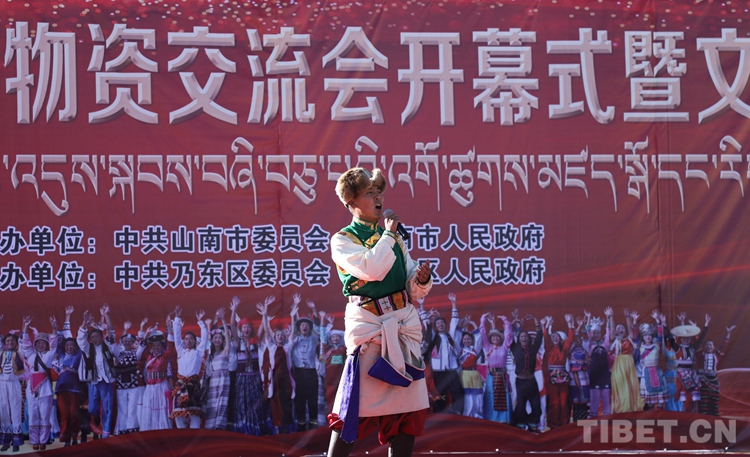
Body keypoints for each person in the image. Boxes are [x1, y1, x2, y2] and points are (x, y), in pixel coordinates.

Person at [327, 167, 432, 457]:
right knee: (352, 411)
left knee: (407, 414)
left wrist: (421, 280)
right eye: (369, 193)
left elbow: (411, 287)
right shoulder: (343, 239)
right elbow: (372, 269)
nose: (378, 198)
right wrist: (388, 234)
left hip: (401, 329)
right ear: (351, 202)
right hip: (371, 332)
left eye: (378, 192)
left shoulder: (394, 238)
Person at [228, 296, 270, 435]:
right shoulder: (238, 342)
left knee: (255, 403)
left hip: (255, 378)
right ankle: (242, 428)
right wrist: (234, 309)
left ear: (251, 329)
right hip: (241, 379)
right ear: (241, 329)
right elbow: (232, 325)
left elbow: (263, 327)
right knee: (241, 404)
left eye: (248, 327)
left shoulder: (255, 341)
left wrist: (264, 313)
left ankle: (255, 427)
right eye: (244, 327)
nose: (246, 329)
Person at [77, 306, 117, 439]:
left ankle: (106, 432)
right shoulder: (88, 349)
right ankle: (96, 420)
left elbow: (111, 332)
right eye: (92, 337)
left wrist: (106, 315)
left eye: (97, 336)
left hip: (106, 381)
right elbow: (80, 340)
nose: (94, 339)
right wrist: (84, 322)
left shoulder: (108, 346)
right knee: (92, 408)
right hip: (93, 381)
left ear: (101, 337)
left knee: (107, 407)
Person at [20, 315, 58, 451]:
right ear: (35, 344)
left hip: (45, 388)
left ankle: (43, 440)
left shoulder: (49, 355)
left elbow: (54, 346)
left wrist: (54, 329)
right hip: (31, 388)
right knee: (33, 415)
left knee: (45, 415)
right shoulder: (30, 355)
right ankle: (34, 440)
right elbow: (25, 344)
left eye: (43, 343)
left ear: (46, 345)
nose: (41, 345)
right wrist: (25, 327)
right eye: (38, 342)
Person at [258, 301, 296, 435]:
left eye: (282, 335)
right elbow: (267, 331)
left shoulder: (287, 347)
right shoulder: (271, 347)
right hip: (274, 379)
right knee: (275, 403)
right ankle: (277, 427)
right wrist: (265, 314)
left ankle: (287, 427)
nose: (280, 337)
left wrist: (293, 316)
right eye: (277, 335)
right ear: (275, 337)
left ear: (284, 337)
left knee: (286, 402)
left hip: (286, 379)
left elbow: (293, 332)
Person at [424, 293, 462, 414]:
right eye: (438, 323)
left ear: (445, 325)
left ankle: (458, 412)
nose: (440, 324)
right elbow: (427, 328)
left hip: (451, 370)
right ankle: (438, 414)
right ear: (436, 326)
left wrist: (453, 302)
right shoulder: (434, 338)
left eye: (442, 323)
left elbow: (454, 321)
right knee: (440, 394)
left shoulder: (450, 336)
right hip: (438, 372)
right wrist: (425, 314)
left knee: (458, 391)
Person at [289, 294, 322, 431]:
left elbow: (317, 326)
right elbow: (292, 329)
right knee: (300, 400)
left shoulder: (313, 339)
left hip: (311, 373)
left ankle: (313, 425)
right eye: (302, 325)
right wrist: (295, 307)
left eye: (306, 325)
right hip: (298, 373)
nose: (304, 326)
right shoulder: (295, 339)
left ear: (309, 327)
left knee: (313, 399)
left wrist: (314, 309)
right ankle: (301, 425)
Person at [54, 307, 84, 446]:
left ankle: (74, 437)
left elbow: (71, 337)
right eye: (68, 345)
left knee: (73, 414)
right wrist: (56, 327)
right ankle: (66, 439)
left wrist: (68, 317)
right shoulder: (61, 354)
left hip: (74, 388)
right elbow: (61, 339)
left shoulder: (78, 355)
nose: (69, 347)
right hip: (61, 388)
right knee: (64, 414)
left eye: (72, 345)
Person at [112, 316, 148, 435]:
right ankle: (122, 429)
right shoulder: (118, 353)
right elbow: (112, 344)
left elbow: (142, 345)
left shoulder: (135, 354)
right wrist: (124, 330)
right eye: (125, 341)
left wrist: (143, 330)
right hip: (121, 384)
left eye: (129, 341)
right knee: (122, 408)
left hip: (133, 385)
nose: (127, 343)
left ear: (133, 343)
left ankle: (131, 429)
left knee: (132, 408)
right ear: (122, 342)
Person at [509, 315, 543, 432]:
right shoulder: (515, 348)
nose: (523, 338)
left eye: (525, 336)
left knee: (536, 405)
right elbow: (508, 336)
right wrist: (512, 324)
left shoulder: (533, 348)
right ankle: (520, 425)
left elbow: (539, 337)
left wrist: (536, 321)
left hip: (532, 382)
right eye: (521, 336)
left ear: (528, 339)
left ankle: (533, 425)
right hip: (520, 382)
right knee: (521, 406)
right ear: (519, 339)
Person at [478, 312, 513, 424]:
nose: (495, 338)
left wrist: (506, 321)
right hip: (491, 377)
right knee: (491, 397)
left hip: (502, 377)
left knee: (503, 398)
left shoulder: (504, 347)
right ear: (490, 339)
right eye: (493, 336)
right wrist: (483, 319)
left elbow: (509, 335)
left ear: (500, 338)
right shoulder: (488, 348)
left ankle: (503, 419)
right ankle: (491, 418)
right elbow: (483, 333)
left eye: (497, 336)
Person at [203, 307, 233, 430]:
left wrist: (223, 321)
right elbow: (208, 338)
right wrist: (209, 325)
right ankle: (210, 426)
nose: (217, 339)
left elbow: (228, 336)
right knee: (213, 403)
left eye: (219, 338)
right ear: (212, 340)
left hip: (224, 379)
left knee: (222, 402)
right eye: (215, 338)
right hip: (213, 381)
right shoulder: (211, 354)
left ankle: (220, 426)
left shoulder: (225, 351)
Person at [671, 314, 710, 412]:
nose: (686, 339)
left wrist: (706, 324)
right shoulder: (677, 348)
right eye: (684, 338)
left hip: (692, 375)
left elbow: (701, 338)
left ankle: (693, 416)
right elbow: (668, 335)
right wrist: (663, 324)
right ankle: (683, 417)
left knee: (694, 398)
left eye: (688, 337)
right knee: (683, 398)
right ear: (680, 338)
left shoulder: (693, 348)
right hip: (681, 376)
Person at [609, 309, 644, 413]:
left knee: (629, 385)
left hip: (628, 363)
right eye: (618, 328)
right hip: (618, 364)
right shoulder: (615, 340)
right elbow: (612, 330)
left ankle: (630, 406)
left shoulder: (630, 338)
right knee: (619, 384)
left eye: (622, 328)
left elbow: (630, 329)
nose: (620, 329)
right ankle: (620, 406)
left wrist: (628, 318)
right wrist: (611, 317)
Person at [544, 315, 574, 428]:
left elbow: (570, 339)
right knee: (554, 402)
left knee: (564, 401)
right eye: (553, 336)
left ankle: (564, 423)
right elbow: (545, 336)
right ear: (551, 339)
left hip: (563, 377)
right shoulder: (549, 348)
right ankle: (553, 423)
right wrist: (547, 324)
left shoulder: (564, 349)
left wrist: (569, 323)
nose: (555, 338)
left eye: (557, 336)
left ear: (560, 339)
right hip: (551, 377)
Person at [698, 324, 734, 416]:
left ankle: (714, 416)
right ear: (704, 347)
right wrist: (695, 334)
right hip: (703, 381)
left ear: (714, 347)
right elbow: (697, 342)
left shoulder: (717, 355)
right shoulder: (701, 355)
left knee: (714, 399)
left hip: (714, 381)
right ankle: (703, 416)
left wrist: (728, 333)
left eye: (710, 345)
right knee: (704, 400)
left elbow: (724, 345)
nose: (708, 346)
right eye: (706, 345)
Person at [0, 323, 25, 452]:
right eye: (8, 340)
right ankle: (5, 441)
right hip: (2, 383)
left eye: (12, 340)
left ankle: (16, 441)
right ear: (4, 343)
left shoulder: (19, 353)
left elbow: (24, 343)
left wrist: (24, 327)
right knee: (3, 411)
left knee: (15, 410)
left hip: (14, 383)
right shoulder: (1, 353)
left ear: (16, 343)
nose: (10, 342)